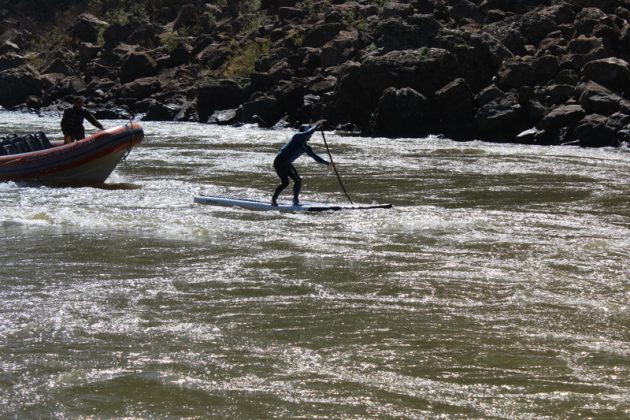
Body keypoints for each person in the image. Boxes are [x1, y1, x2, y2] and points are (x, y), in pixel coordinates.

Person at [271, 120, 334, 206]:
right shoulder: (297, 137)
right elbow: (308, 132)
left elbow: (316, 157)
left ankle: (295, 200)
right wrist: (317, 126)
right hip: (279, 162)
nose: (310, 136)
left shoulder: (306, 147)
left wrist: (328, 163)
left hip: (287, 164)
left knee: (298, 181)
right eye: (309, 135)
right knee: (285, 183)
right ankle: (273, 200)